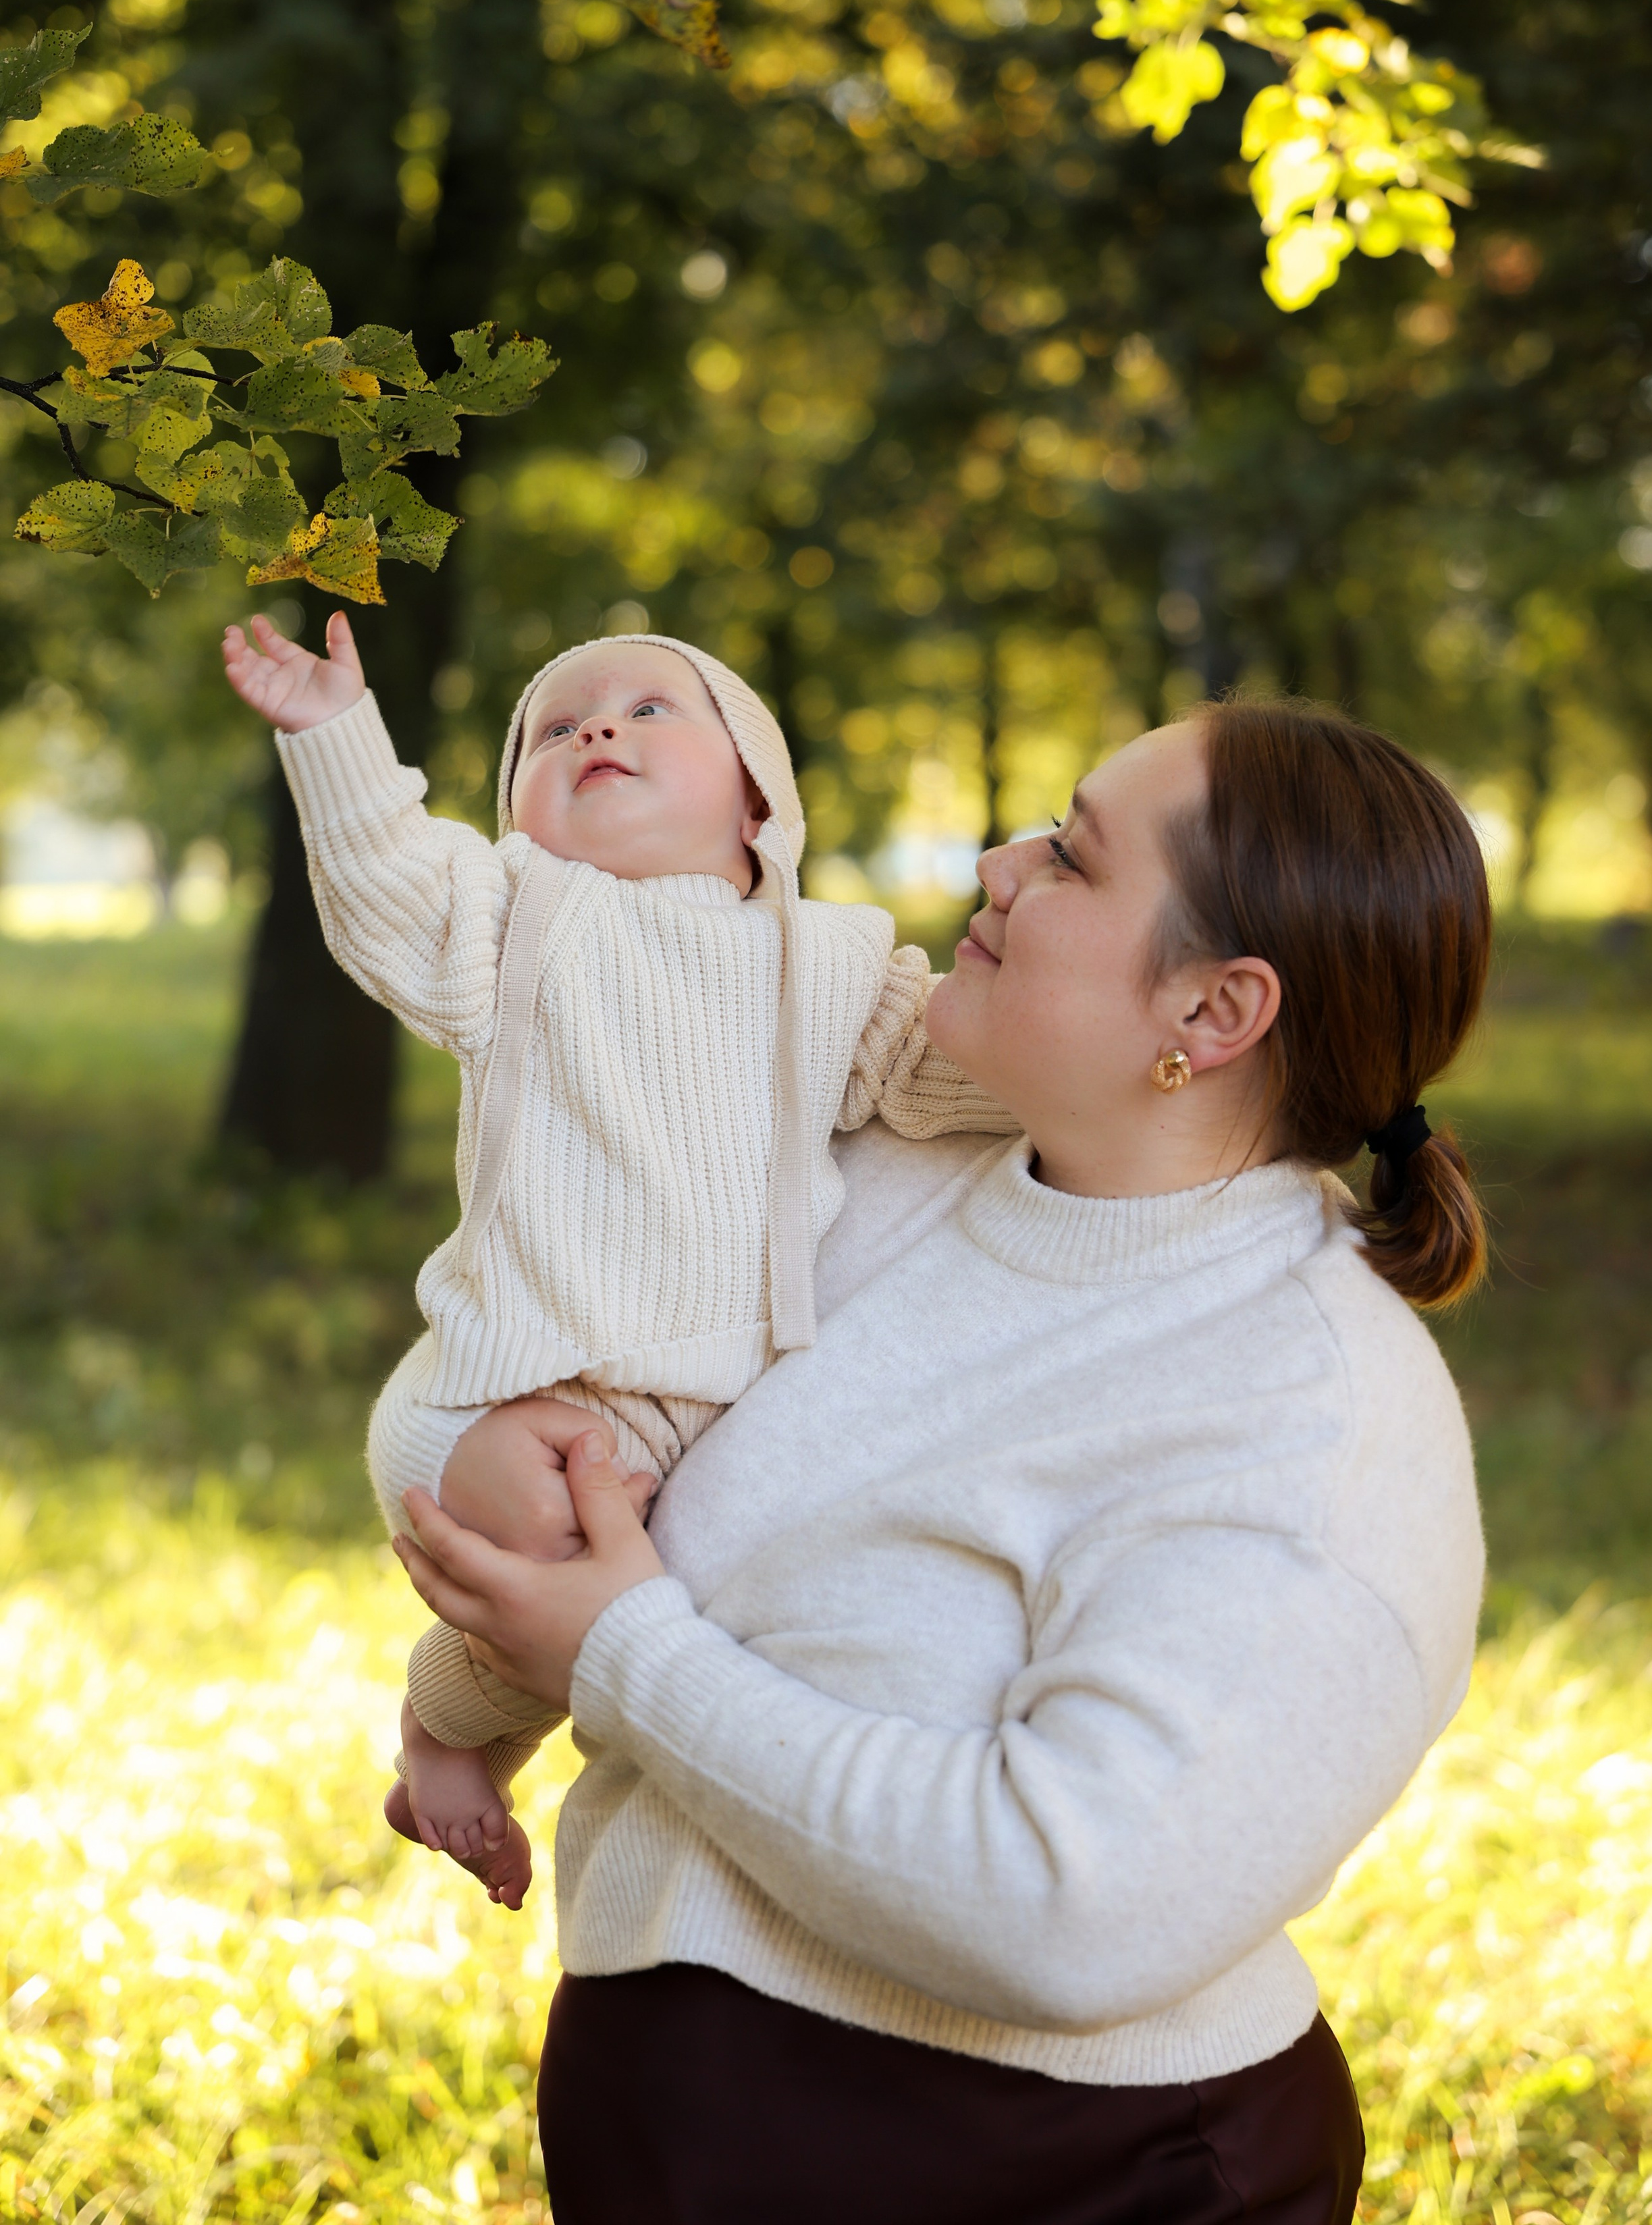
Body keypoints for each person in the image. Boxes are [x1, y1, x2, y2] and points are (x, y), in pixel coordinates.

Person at [394, 693, 1493, 2225]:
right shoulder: (872, 1180)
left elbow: (1074, 1907)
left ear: (1210, 1014)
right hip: (671, 2136)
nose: (994, 862)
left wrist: (621, 1660)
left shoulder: (1307, 1411)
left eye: (1071, 859)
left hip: (1051, 2176)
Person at [219, 613, 1013, 1906]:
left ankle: (473, 1734)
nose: (597, 728)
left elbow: (954, 1074)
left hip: (699, 1410)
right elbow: (391, 888)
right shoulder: (520, 913)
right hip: (510, 1379)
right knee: (555, 1522)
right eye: (553, 729)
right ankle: (444, 1720)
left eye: (653, 710)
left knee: (642, 1589)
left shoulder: (837, 959)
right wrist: (334, 736)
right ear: (522, 816)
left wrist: (1164, 1092)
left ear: (760, 796)